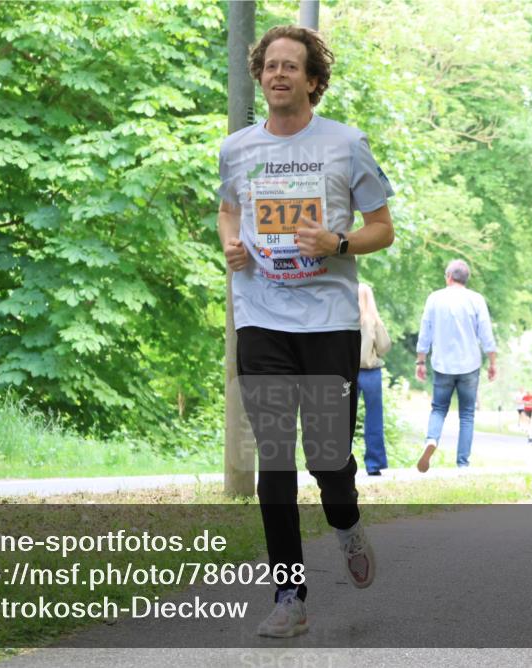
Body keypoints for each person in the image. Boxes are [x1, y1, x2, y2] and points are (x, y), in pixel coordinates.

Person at [218, 25, 394, 638]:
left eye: (292, 66)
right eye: (270, 65)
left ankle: (344, 523)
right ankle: (289, 597)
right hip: (261, 317)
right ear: (260, 76)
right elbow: (228, 209)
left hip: (328, 323)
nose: (279, 74)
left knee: (327, 461)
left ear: (314, 82)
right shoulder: (236, 149)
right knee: (275, 457)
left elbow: (383, 228)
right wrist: (231, 247)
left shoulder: (346, 144)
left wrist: (337, 242)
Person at [414, 259, 497, 471]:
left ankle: (432, 439)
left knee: (438, 409)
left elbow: (425, 332)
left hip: (442, 365)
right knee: (467, 414)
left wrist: (420, 361)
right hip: (469, 365)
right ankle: (462, 464)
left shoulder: (435, 298)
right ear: (465, 279)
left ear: (449, 277)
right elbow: (486, 334)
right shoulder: (476, 300)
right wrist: (492, 362)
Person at [357, 283, 392, 476]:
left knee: (344, 418)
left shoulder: (346, 320)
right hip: (371, 373)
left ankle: (341, 461)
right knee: (374, 418)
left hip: (349, 373)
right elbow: (384, 347)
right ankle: (374, 464)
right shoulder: (373, 320)